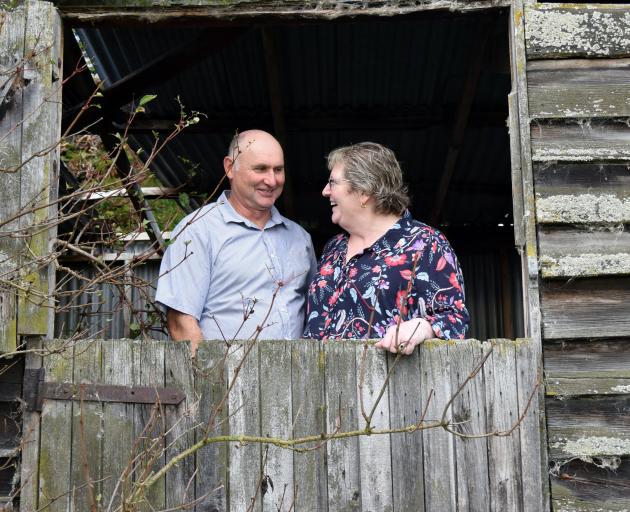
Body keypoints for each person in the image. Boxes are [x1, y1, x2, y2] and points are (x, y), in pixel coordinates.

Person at [156, 130, 316, 354]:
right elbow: (181, 322)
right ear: (230, 167)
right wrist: (213, 381)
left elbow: (315, 313)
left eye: (278, 170)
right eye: (260, 168)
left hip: (295, 381)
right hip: (227, 382)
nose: (271, 180)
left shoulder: (299, 238)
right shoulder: (198, 230)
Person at [303, 142, 469, 354]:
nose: (325, 191)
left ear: (364, 191)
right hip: (318, 379)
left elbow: (454, 319)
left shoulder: (425, 243)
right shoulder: (334, 247)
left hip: (386, 381)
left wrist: (422, 328)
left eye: (333, 183)